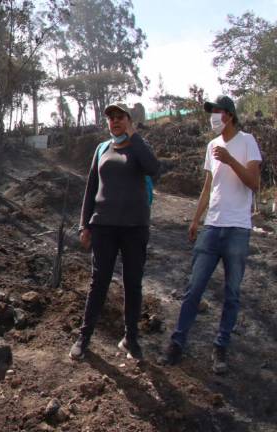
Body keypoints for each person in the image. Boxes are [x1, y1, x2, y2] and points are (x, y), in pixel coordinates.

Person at [159, 95, 261, 374]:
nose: (212, 117)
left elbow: (253, 182)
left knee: (232, 293)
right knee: (194, 288)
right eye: (211, 113)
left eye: (216, 112)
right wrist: (195, 220)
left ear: (228, 114)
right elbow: (208, 187)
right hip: (212, 226)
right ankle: (177, 343)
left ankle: (221, 347)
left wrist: (229, 160)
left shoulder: (247, 141)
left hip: (238, 229)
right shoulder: (211, 145)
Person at [70, 102, 160, 361]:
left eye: (120, 117)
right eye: (111, 118)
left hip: (135, 228)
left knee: (133, 284)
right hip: (104, 227)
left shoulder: (139, 147)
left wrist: (135, 137)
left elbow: (154, 169)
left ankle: (131, 339)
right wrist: (84, 225)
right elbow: (90, 189)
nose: (115, 122)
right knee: (99, 282)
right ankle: (83, 338)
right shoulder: (101, 149)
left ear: (129, 121)